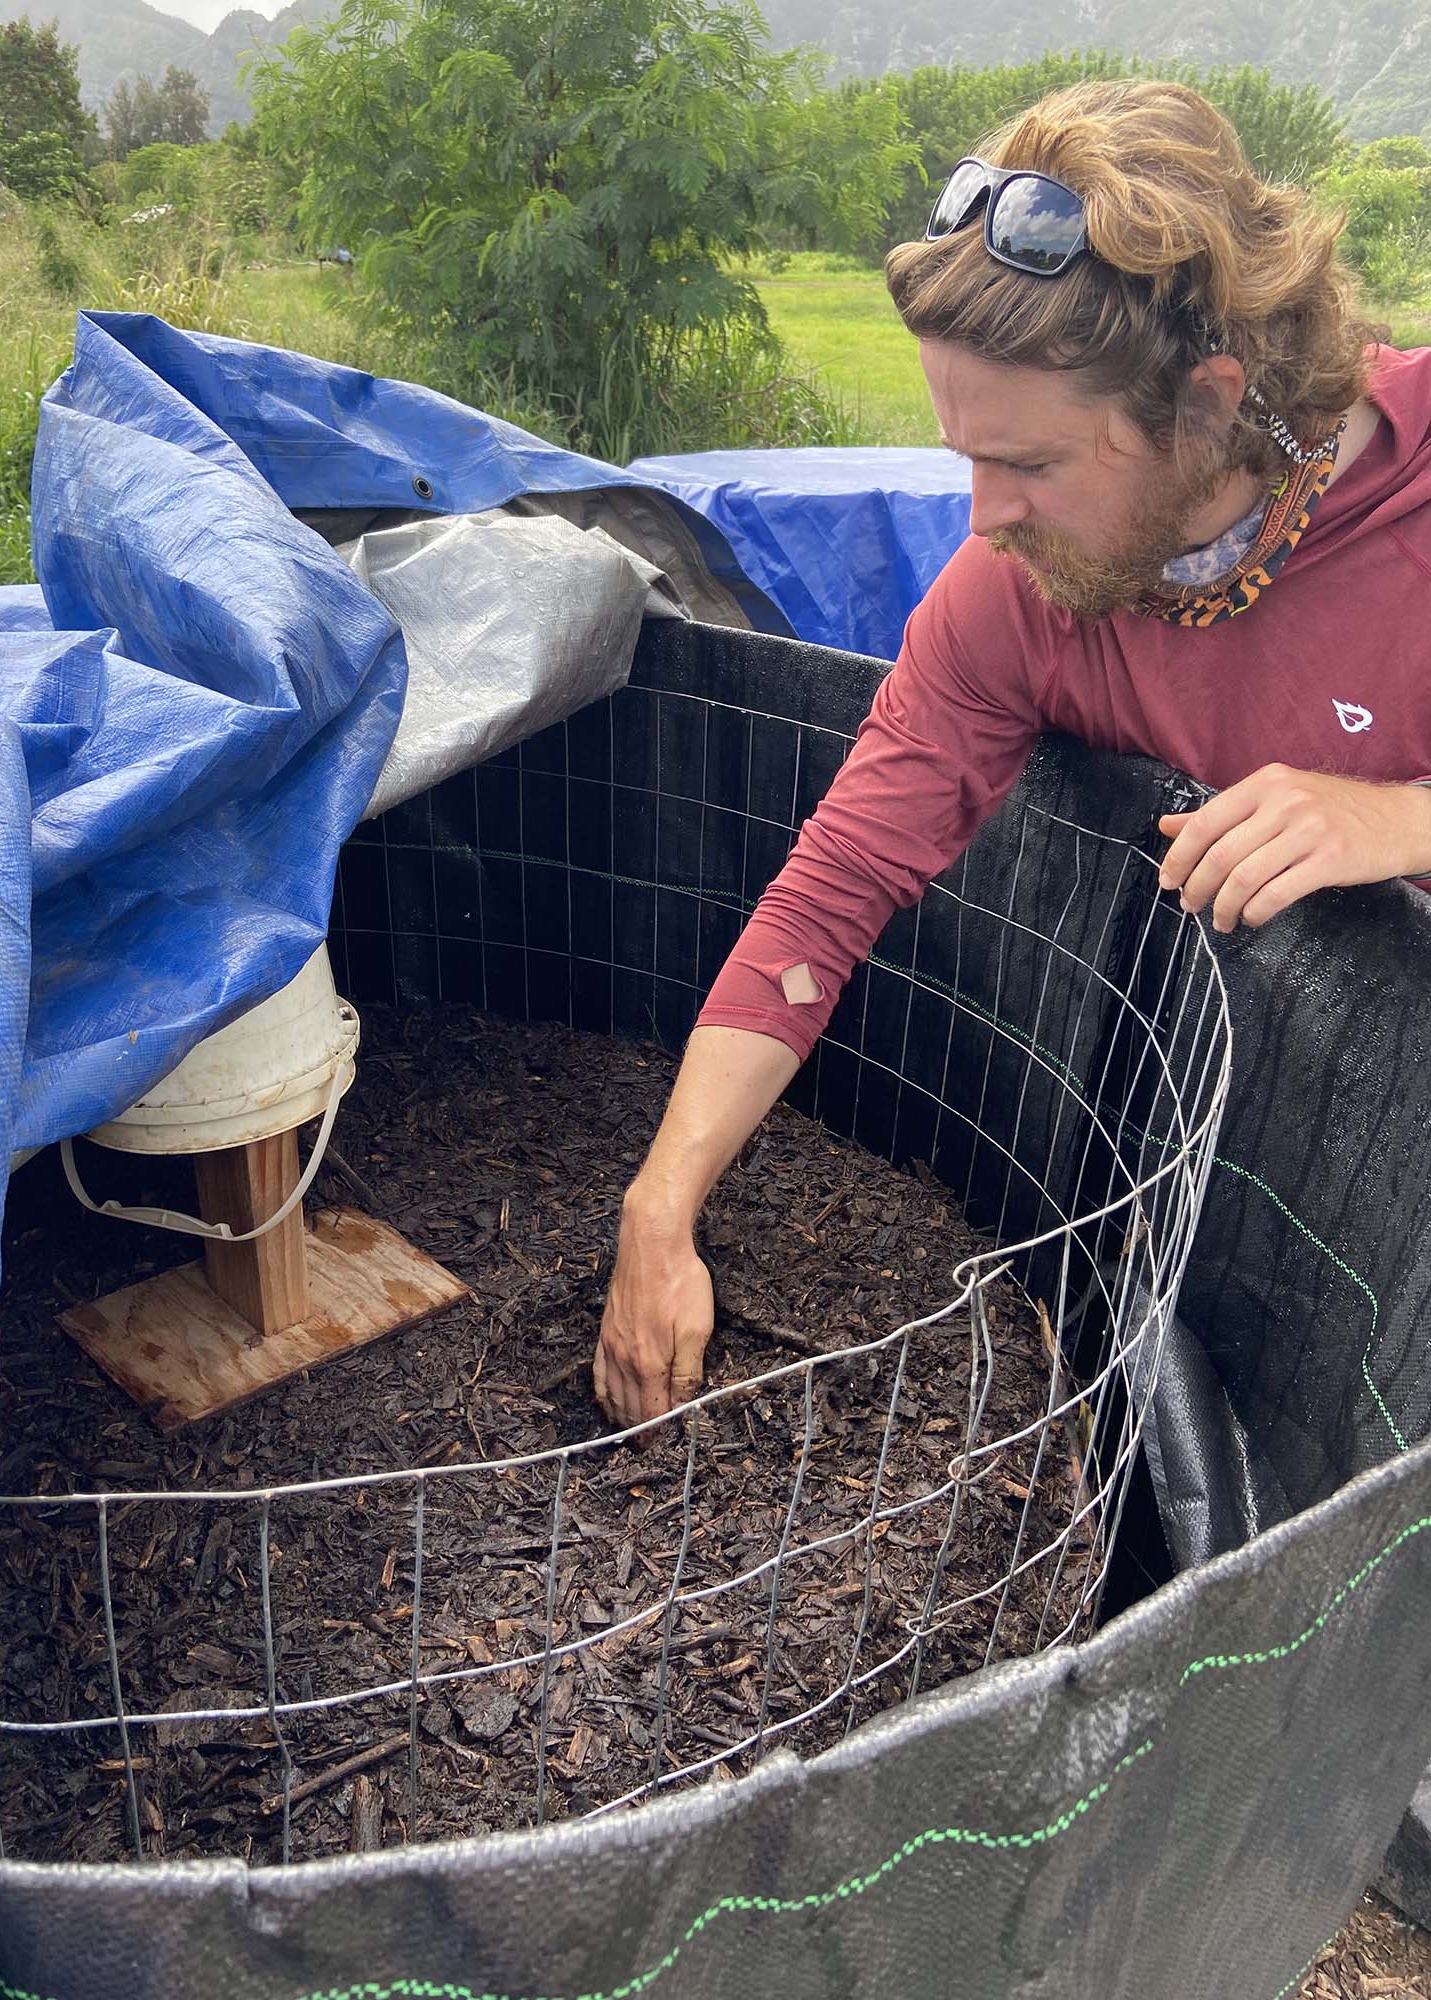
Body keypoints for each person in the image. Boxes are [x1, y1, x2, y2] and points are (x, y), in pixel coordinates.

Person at [592, 79, 1431, 1430]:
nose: (984, 519)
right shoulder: (1014, 593)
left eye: (1029, 463)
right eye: (963, 457)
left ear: (1208, 405)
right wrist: (663, 1199)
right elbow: (835, 883)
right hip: (1221, 1195)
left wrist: (1404, 820)